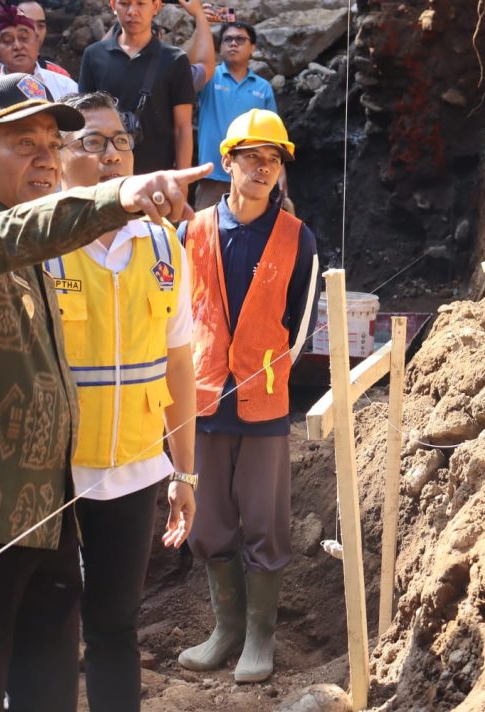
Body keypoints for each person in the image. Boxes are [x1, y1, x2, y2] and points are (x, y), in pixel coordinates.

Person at [0, 71, 209, 710]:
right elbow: (14, 235)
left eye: (52, 143)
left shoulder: (46, 244)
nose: (46, 157)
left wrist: (182, 471)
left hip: (45, 517)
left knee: (48, 694)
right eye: (23, 143)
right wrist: (122, 193)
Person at [50, 89, 197, 712]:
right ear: (59, 155)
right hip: (50, 474)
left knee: (116, 625)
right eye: (91, 141)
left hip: (136, 470)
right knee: (48, 629)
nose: (110, 156)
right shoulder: (37, 246)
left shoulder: (164, 248)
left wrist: (183, 471)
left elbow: (179, 362)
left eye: (121, 143)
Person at [177, 109, 318, 683]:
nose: (263, 169)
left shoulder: (296, 236)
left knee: (264, 518)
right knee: (209, 521)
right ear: (228, 162)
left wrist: (269, 371)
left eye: (273, 160)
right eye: (252, 158)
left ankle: (260, 636)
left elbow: (302, 322)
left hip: (263, 400)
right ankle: (226, 630)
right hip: (205, 397)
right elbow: (180, 315)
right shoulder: (195, 232)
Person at [78, 0, 194, 174]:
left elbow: (183, 127)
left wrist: (183, 179)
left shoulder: (175, 60)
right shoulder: (94, 55)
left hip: (156, 174)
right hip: (105, 171)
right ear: (113, 5)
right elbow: (84, 120)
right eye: (124, 3)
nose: (132, 11)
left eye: (141, 4)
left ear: (156, 7)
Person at [194, 21, 277, 210]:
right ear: (220, 47)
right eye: (228, 39)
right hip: (211, 176)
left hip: (252, 177)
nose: (233, 43)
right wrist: (201, 22)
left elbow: (273, 139)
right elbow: (185, 73)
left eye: (240, 39)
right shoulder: (209, 77)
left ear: (252, 47)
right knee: (203, 234)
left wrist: (280, 175)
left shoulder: (263, 88)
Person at [99, 0, 216, 94]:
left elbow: (101, 52)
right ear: (159, 40)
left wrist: (126, 15)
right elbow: (206, 66)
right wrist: (200, 15)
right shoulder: (170, 70)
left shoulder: (105, 68)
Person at [0, 0, 77, 99]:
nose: (18, 46)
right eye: (7, 40)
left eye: (24, 38)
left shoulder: (66, 86)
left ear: (37, 42)